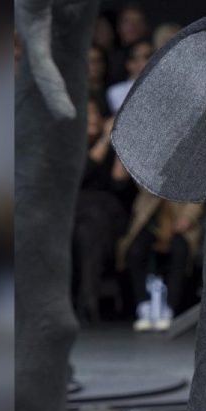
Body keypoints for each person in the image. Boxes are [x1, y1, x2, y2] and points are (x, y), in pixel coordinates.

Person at [72, 96, 133, 322]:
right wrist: (103, 142)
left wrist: (115, 140)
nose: (92, 118)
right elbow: (81, 174)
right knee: (86, 232)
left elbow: (119, 183)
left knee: (94, 217)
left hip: (108, 213)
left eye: (95, 113)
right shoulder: (71, 146)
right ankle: (87, 302)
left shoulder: (114, 143)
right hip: (79, 216)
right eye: (86, 113)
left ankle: (87, 302)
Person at [115, 180, 204, 331]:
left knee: (180, 251)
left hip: (181, 214)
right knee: (135, 251)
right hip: (149, 215)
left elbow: (198, 191)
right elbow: (141, 181)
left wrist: (188, 217)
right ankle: (144, 304)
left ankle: (169, 306)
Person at [106, 2, 149, 85]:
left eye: (138, 21)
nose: (132, 26)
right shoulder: (108, 57)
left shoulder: (154, 53)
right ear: (118, 26)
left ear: (145, 26)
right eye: (127, 21)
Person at [106, 40, 151, 114]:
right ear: (130, 64)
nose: (151, 60)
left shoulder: (163, 85)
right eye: (147, 57)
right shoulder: (116, 91)